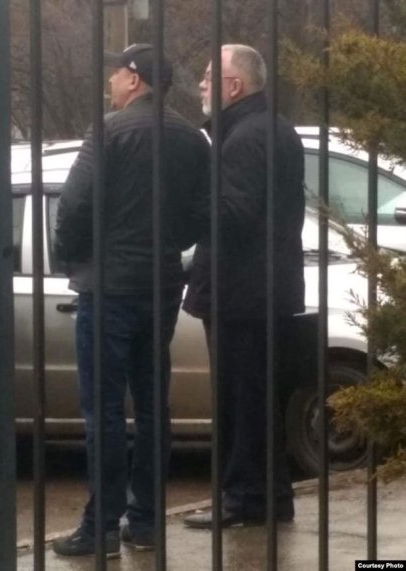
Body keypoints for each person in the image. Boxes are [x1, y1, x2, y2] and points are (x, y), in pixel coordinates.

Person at [52, 43, 210, 557]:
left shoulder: (108, 130)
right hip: (160, 284)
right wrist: (167, 244)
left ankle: (100, 526)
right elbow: (201, 213)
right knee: (152, 406)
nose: (111, 82)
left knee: (103, 410)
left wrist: (72, 257)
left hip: (109, 288)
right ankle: (145, 522)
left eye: (116, 73)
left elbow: (75, 203)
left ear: (135, 79)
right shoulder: (192, 137)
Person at [183, 44, 305, 529]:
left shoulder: (243, 138)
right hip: (264, 289)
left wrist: (187, 205)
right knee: (260, 399)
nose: (202, 83)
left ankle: (242, 498)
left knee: (239, 401)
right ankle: (270, 497)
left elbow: (235, 215)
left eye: (210, 75)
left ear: (234, 86)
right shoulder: (274, 128)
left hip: (241, 293)